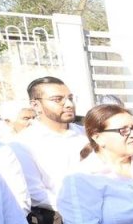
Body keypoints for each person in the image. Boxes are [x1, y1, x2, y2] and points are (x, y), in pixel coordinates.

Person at [13, 76, 86, 211]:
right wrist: (78, 208)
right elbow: (36, 193)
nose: (69, 104)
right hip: (62, 213)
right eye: (58, 99)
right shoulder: (23, 144)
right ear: (36, 105)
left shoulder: (87, 134)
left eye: (70, 98)